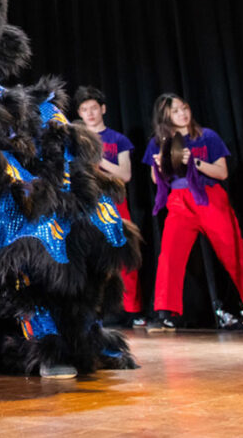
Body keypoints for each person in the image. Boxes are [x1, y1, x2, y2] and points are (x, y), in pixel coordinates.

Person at [142, 93, 243, 331]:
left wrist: (195, 162)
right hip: (179, 201)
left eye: (184, 108)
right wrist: (162, 166)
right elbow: (156, 179)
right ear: (165, 116)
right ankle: (166, 314)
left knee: (234, 253)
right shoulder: (158, 142)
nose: (183, 114)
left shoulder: (206, 136)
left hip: (208, 197)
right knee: (169, 255)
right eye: (176, 111)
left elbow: (222, 172)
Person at [75, 86, 144, 327]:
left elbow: (125, 175)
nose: (90, 113)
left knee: (123, 255)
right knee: (89, 258)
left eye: (94, 108)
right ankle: (93, 309)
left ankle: (131, 310)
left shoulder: (117, 140)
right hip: (86, 204)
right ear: (79, 113)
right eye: (84, 109)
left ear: (102, 109)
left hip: (113, 203)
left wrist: (99, 157)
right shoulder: (76, 139)